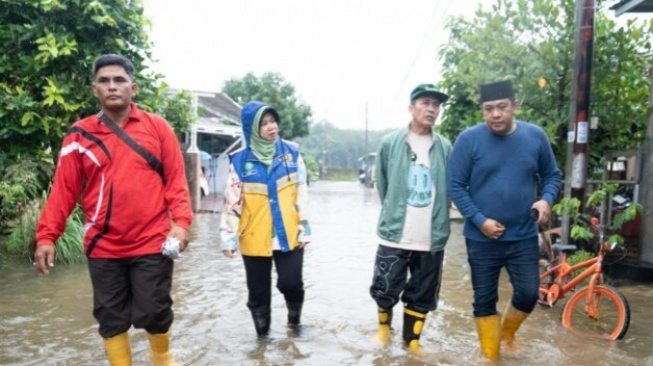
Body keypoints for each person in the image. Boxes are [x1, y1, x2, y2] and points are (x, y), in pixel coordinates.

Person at [34, 54, 192, 366]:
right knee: (111, 318)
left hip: (152, 242)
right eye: (104, 81)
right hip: (103, 245)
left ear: (133, 88)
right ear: (95, 90)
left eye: (119, 80)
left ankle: (162, 357)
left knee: (155, 311)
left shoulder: (158, 128)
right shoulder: (79, 136)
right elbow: (63, 191)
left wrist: (182, 224)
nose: (112, 86)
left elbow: (176, 181)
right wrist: (47, 236)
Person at [447, 80, 562, 360]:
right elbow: (455, 185)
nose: (495, 114)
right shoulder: (468, 140)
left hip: (522, 234)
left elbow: (551, 175)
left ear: (514, 106)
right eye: (488, 109)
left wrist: (545, 199)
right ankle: (490, 357)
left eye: (501, 107)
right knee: (484, 300)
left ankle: (507, 334)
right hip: (481, 238)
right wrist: (478, 220)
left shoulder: (535, 137)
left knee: (528, 293)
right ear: (482, 110)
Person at [369, 84, 452, 352]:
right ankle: (383, 329)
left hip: (431, 236)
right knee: (385, 285)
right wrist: (393, 211)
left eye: (436, 105)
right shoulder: (391, 143)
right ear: (411, 108)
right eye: (425, 103)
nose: (431, 109)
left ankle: (412, 342)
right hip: (396, 232)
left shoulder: (445, 147)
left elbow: (450, 186)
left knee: (423, 291)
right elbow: (382, 182)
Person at [219, 101, 311, 338]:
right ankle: (262, 341)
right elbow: (232, 200)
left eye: (273, 121)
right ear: (252, 129)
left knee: (291, 284)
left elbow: (302, 190)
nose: (272, 127)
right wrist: (228, 237)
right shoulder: (239, 160)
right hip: (254, 235)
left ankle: (294, 322)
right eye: (264, 123)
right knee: (258, 294)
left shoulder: (292, 153)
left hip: (289, 233)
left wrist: (304, 226)